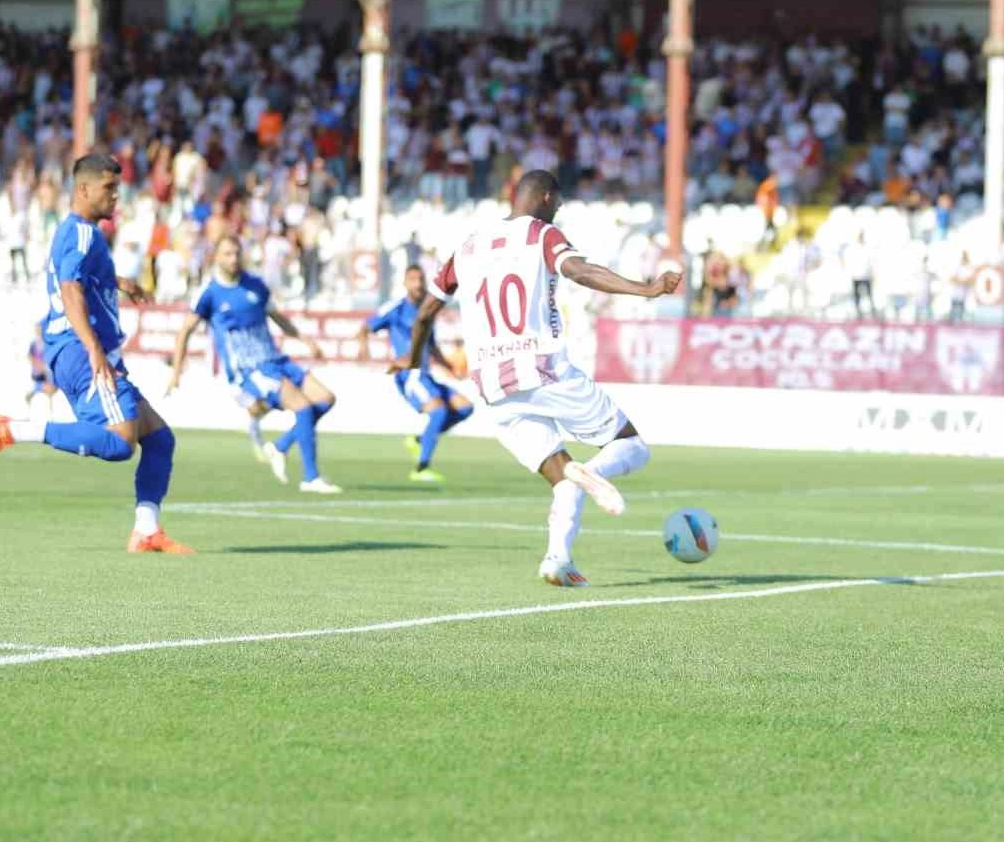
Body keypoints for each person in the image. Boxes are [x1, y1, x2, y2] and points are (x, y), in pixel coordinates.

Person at [395, 170, 681, 588]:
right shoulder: (541, 234)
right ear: (545, 197)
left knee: (562, 478)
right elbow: (579, 271)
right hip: (542, 369)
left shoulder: (467, 247)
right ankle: (592, 472)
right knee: (632, 447)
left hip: (493, 386)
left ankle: (557, 560)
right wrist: (647, 289)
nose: (558, 210)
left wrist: (412, 361)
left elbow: (424, 316)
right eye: (558, 203)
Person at [0, 154, 192, 554]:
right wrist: (93, 348)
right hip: (79, 350)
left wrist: (119, 282)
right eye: (109, 188)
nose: (116, 196)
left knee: (159, 439)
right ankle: (11, 430)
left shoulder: (78, 232)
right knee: (121, 441)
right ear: (84, 189)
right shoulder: (83, 234)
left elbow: (78, 276)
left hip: (74, 350)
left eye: (117, 188)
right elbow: (70, 288)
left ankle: (146, 530)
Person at [166, 234, 342, 495]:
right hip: (250, 369)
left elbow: (277, 317)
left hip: (276, 358)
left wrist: (305, 341)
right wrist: (176, 372)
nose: (233, 259)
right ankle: (310, 477)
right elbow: (185, 332)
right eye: (227, 254)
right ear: (216, 257)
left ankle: (280, 447)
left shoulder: (256, 285)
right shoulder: (209, 293)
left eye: (237, 253)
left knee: (326, 398)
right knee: (303, 407)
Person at [357, 265, 474, 483]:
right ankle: (421, 468)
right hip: (409, 374)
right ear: (404, 283)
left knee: (465, 407)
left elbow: (431, 345)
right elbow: (365, 328)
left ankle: (420, 441)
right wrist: (364, 349)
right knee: (438, 411)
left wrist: (449, 368)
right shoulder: (396, 308)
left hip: (426, 375)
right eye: (413, 279)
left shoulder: (427, 309)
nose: (418, 284)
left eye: (421, 279)